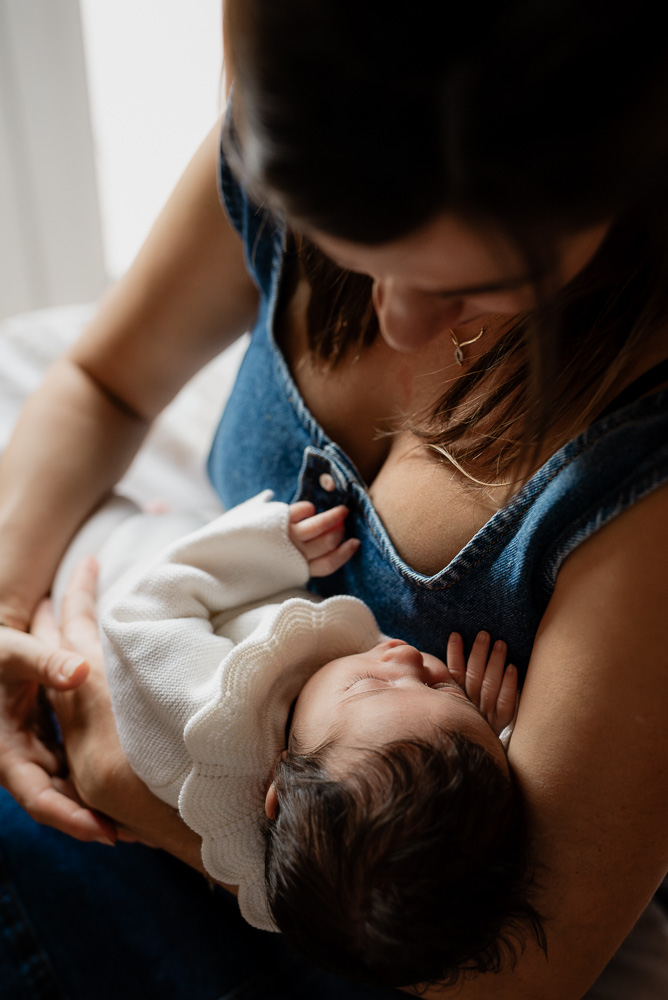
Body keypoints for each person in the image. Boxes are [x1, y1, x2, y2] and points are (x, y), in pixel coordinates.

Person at [0, 1, 667, 998]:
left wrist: (141, 795)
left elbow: (523, 973)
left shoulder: (639, 475)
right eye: (348, 246)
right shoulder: (314, 118)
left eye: (472, 283)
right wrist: (8, 623)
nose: (397, 323)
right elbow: (105, 383)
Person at [57, 488, 530, 986]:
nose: (408, 659)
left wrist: (265, 550)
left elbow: (140, 613)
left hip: (120, 568)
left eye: (370, 685)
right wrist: (493, 734)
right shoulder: (323, 859)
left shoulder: (201, 716)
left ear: (278, 786)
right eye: (446, 691)